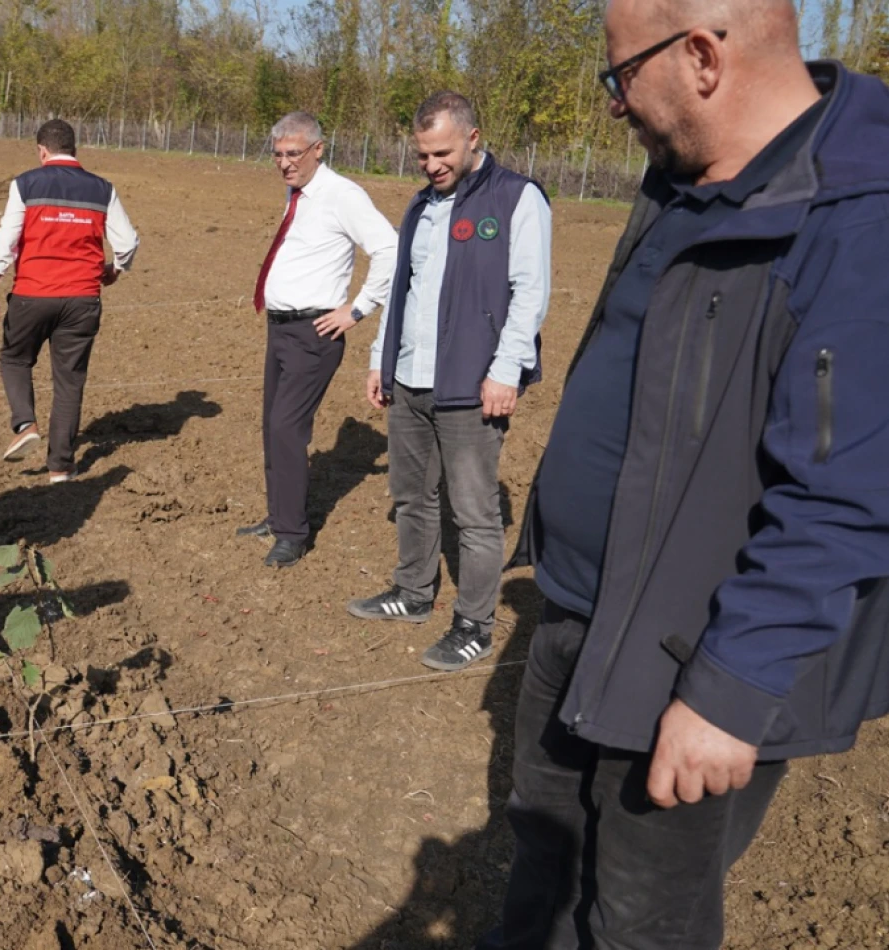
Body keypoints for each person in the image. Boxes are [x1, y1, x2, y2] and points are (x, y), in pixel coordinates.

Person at [481, 2, 889, 946]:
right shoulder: (685, 178)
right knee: (541, 862)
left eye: (620, 73)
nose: (616, 105)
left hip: (690, 657)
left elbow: (848, 492)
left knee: (639, 919)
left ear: (702, 56)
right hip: (578, 611)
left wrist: (729, 690)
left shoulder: (857, 221)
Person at [348, 92, 551, 672]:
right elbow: (404, 291)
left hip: (472, 384)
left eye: (441, 152)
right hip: (410, 379)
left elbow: (529, 294)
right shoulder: (420, 207)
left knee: (474, 513)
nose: (432, 164)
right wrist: (380, 359)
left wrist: (505, 371)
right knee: (411, 496)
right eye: (422, 155)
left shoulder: (516, 198)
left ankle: (474, 625)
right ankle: (413, 594)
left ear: (473, 138)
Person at [239, 111, 397, 568]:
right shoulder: (299, 193)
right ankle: (278, 515)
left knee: (287, 428)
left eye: (294, 154)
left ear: (318, 149)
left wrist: (358, 308)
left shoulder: (341, 195)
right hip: (281, 329)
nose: (285, 163)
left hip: (315, 333)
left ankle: (293, 534)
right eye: (278, 155)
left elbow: (388, 247)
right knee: (273, 425)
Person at [0, 118, 139, 481]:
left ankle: (25, 423)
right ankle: (61, 468)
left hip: (33, 293)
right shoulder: (102, 189)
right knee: (69, 381)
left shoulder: (25, 184)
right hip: (83, 299)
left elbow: (7, 239)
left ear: (42, 151)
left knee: (14, 358)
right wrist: (114, 270)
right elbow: (128, 241)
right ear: (75, 150)